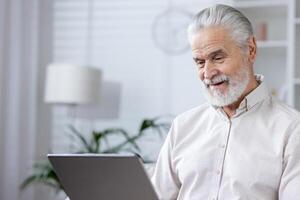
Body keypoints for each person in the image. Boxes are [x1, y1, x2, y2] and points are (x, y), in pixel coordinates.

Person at [151, 4, 300, 200]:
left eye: (218, 57)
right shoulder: (183, 126)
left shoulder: (292, 129)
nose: (208, 72)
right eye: (199, 62)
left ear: (251, 50)